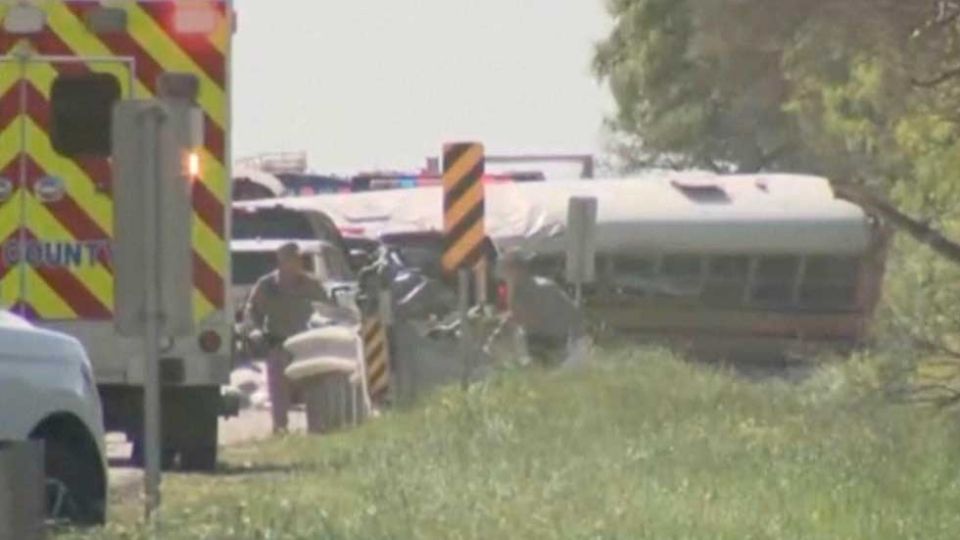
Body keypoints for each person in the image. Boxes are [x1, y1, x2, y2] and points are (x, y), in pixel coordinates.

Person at [244, 242, 329, 433]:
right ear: (281, 261)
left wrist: (324, 328)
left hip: (306, 345)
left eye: (298, 258)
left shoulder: (311, 285)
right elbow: (251, 311)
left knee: (312, 387)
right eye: (292, 258)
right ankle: (280, 428)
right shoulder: (267, 285)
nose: (297, 262)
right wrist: (254, 331)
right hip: (278, 342)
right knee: (279, 391)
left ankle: (316, 429)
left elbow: (327, 309)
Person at [499, 249, 589, 367]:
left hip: (556, 339)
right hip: (538, 337)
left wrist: (512, 318)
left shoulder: (541, 288)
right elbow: (517, 314)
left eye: (508, 268)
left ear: (520, 269)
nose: (504, 272)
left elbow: (533, 320)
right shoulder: (518, 289)